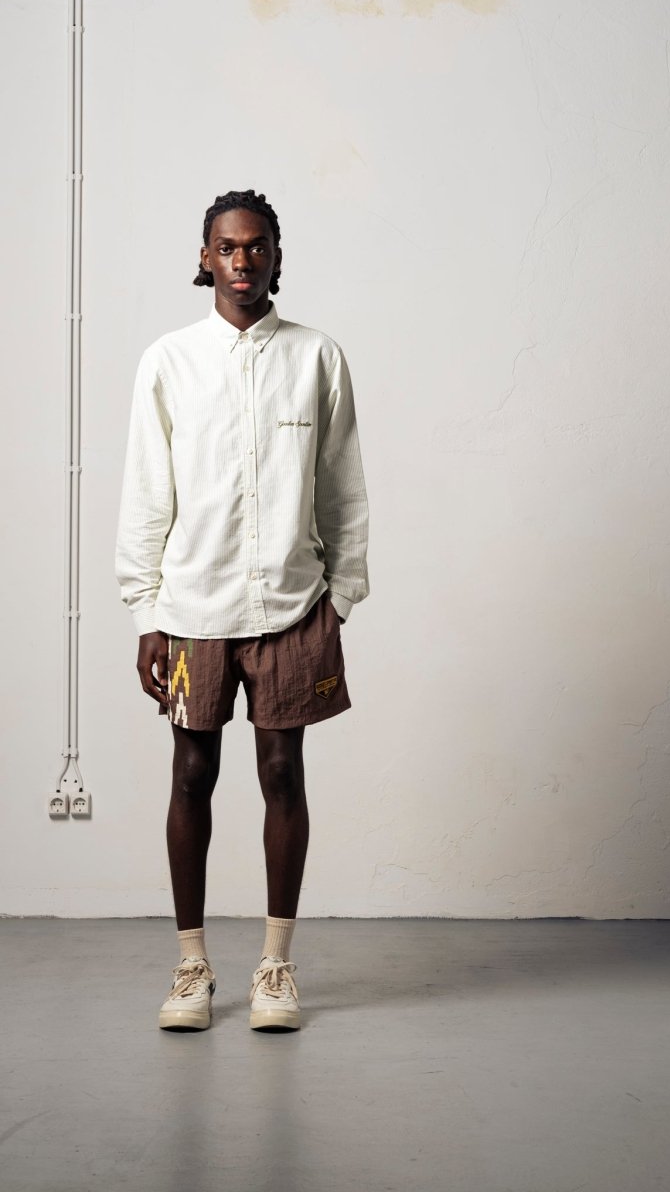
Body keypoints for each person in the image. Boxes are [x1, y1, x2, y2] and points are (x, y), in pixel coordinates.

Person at [114, 189, 369, 1032]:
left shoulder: (317, 357)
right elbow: (147, 491)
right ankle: (191, 967)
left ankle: (276, 967)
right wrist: (146, 611)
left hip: (292, 607)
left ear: (277, 257)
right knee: (192, 773)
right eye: (227, 247)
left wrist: (342, 595)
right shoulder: (169, 361)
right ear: (204, 258)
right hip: (193, 609)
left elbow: (342, 484)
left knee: (282, 772)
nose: (243, 260)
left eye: (257, 246)